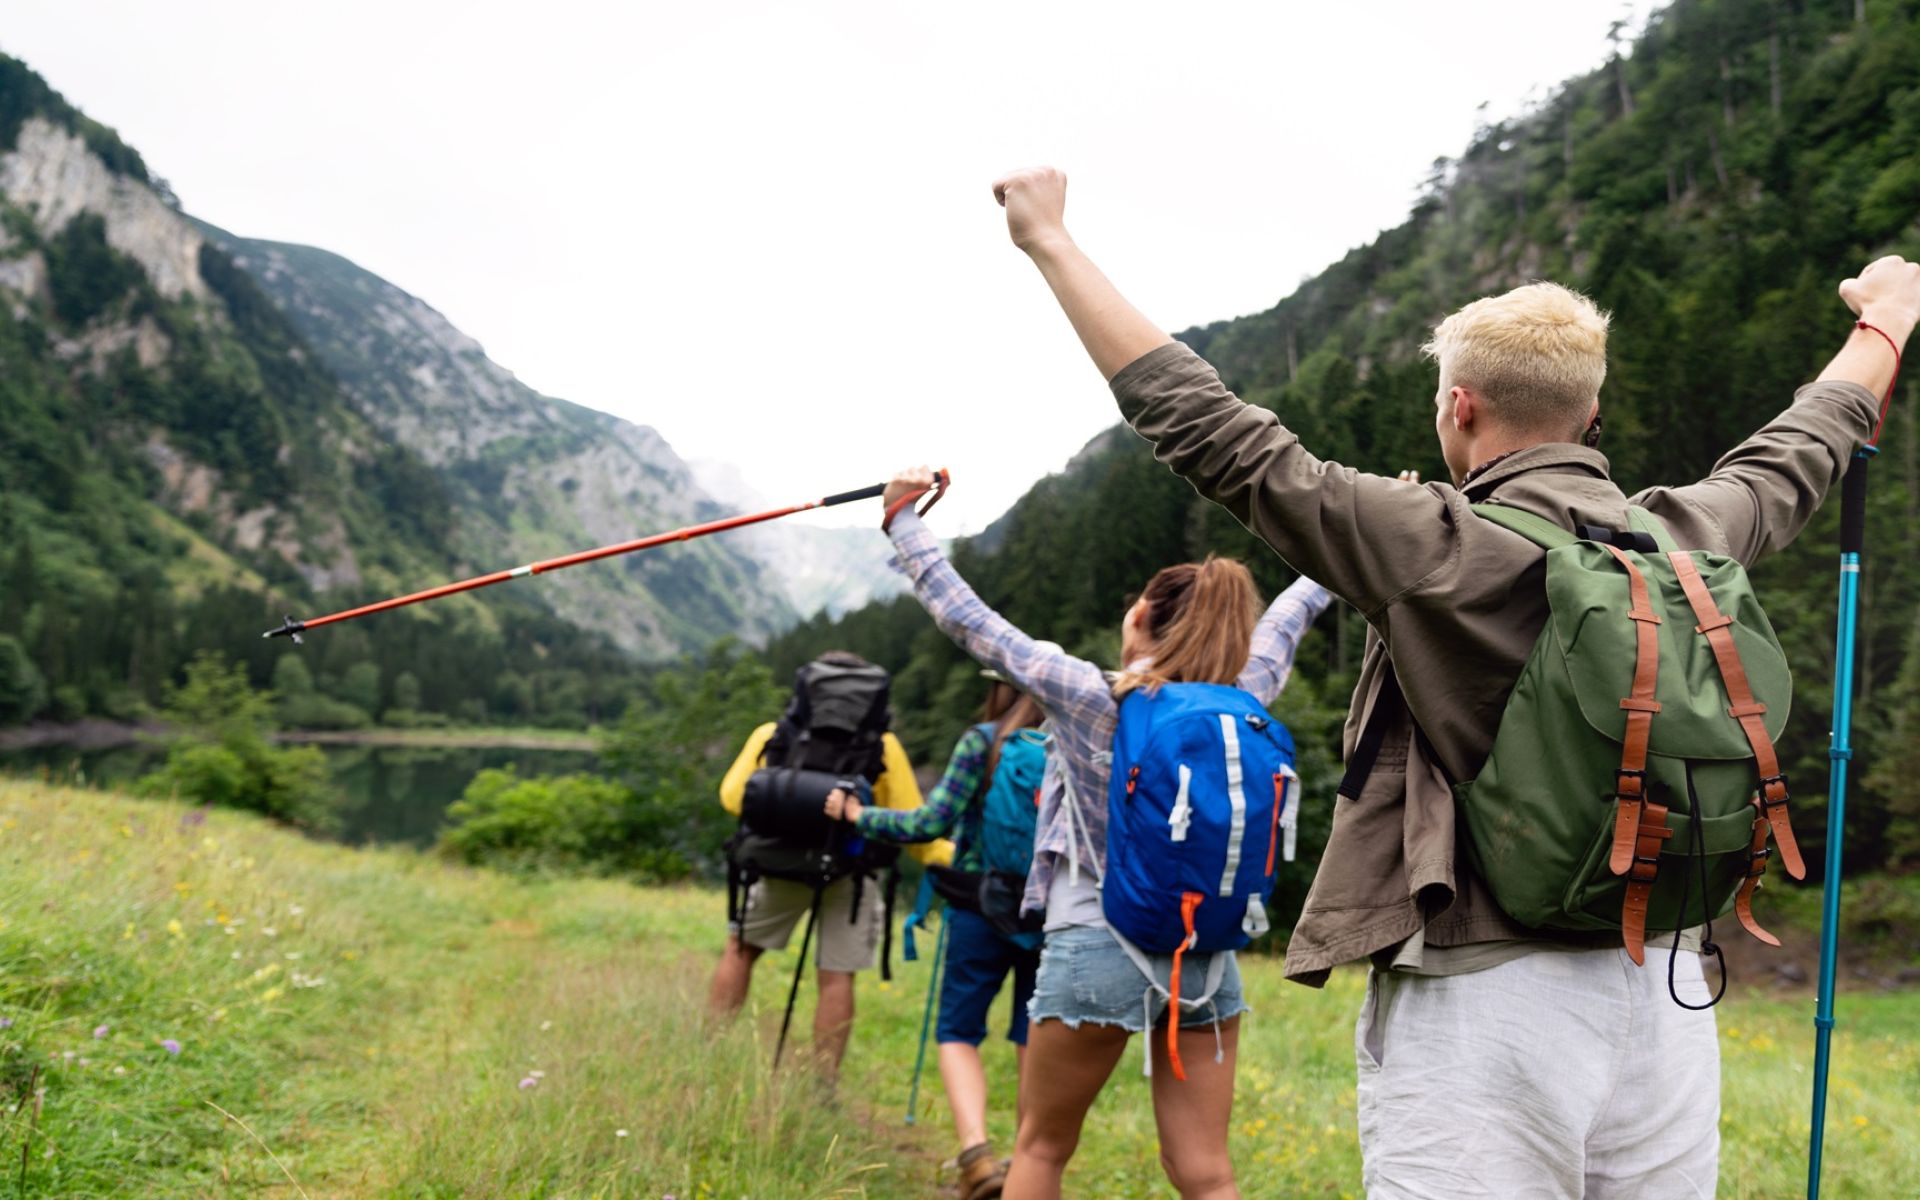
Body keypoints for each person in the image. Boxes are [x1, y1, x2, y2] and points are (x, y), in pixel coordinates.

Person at [989, 164, 1920, 1198]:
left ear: (1460, 407)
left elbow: (1214, 433)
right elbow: (1811, 439)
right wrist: (1887, 317)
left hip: (1484, 1000)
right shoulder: (1691, 536)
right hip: (1665, 991)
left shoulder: (1435, 542)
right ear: (1592, 408)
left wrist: (1051, 242)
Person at [872, 469, 1332, 1200]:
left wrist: (903, 520)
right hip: (1206, 956)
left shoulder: (1088, 696)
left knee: (1042, 1149)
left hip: (1097, 941)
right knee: (1207, 1175)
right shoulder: (1248, 694)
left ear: (1142, 620)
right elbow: (1292, 612)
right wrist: (1352, 527)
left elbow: (971, 622)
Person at [824, 677, 1047, 1200]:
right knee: (1032, 1036)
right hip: (1050, 913)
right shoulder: (1079, 741)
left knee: (958, 1032)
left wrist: (858, 815)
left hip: (976, 906)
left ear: (999, 688)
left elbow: (931, 821)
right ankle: (1029, 1160)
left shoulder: (983, 741)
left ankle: (976, 1157)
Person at [706, 650, 949, 1084]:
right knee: (836, 978)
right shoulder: (883, 744)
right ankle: (821, 1086)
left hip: (778, 861)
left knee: (741, 951)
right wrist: (958, 857)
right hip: (850, 874)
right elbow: (912, 825)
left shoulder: (774, 733)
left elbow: (731, 797)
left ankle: (708, 1054)